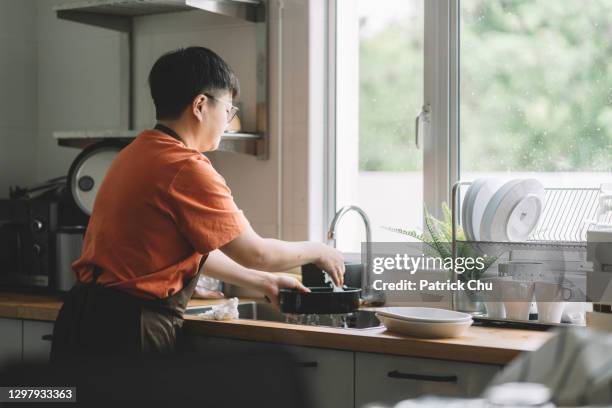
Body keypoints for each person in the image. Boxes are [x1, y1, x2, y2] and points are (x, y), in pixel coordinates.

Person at [50, 46, 345, 360]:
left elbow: (189, 251)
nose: (229, 122)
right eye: (229, 110)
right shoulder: (185, 167)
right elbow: (256, 252)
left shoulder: (136, 153)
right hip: (128, 329)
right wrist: (318, 250)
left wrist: (263, 281)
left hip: (82, 319)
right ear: (201, 105)